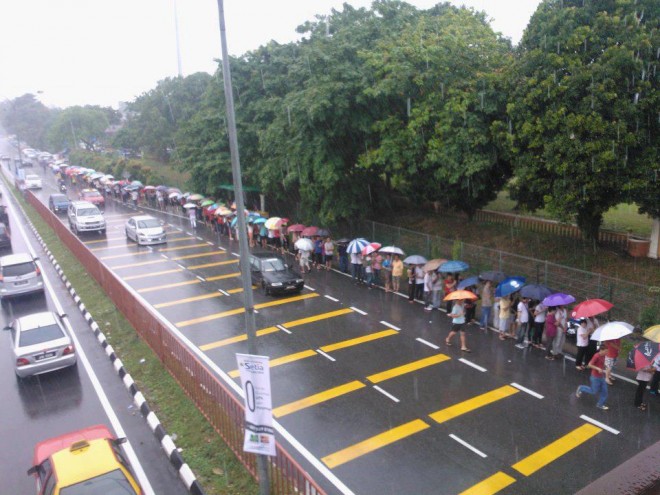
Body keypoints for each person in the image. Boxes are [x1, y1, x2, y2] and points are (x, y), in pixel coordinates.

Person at [576, 345, 610, 410]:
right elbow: (590, 365)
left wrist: (606, 366)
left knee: (605, 392)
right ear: (601, 350)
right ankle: (581, 388)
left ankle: (600, 404)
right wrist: (598, 369)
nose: (607, 353)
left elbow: (601, 363)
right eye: (606, 351)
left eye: (607, 351)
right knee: (593, 391)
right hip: (595, 377)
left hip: (601, 377)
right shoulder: (596, 356)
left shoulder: (603, 355)